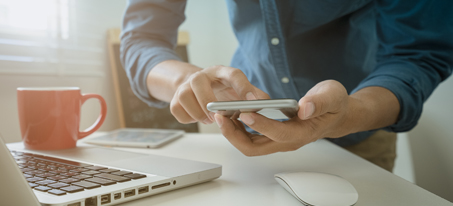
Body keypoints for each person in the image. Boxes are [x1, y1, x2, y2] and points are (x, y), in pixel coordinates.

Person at [120, 0, 453, 172]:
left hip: (360, 132)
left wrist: (350, 112)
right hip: (243, 140)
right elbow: (142, 39)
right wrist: (184, 81)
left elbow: (418, 53)